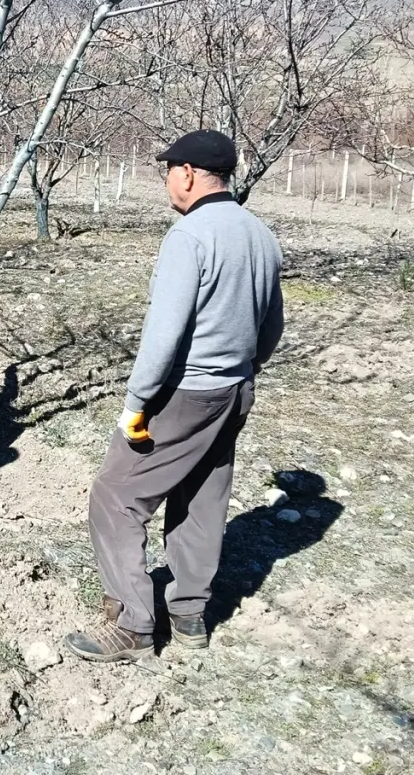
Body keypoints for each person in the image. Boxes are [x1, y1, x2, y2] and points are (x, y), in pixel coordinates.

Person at [65, 129, 283, 661]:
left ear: (187, 173)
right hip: (235, 388)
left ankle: (133, 625)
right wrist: (244, 367)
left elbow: (165, 335)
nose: (166, 180)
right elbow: (271, 325)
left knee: (116, 497)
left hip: (187, 392)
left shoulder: (190, 236)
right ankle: (188, 614)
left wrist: (137, 402)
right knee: (202, 497)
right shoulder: (260, 234)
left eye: (168, 170)